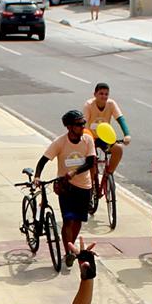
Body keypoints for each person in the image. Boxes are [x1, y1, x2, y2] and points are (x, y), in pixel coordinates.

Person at [36, 109, 99, 266]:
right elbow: (43, 160)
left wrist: (74, 172)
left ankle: (71, 246)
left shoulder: (88, 140)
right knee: (68, 220)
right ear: (69, 127)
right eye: (79, 124)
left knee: (78, 220)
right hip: (66, 187)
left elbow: (90, 162)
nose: (83, 127)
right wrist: (37, 176)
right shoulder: (60, 142)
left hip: (84, 186)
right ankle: (69, 252)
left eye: (83, 123)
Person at [81, 81, 130, 183]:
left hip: (105, 137)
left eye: (106, 94)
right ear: (95, 94)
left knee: (118, 149)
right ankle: (92, 183)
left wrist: (127, 134)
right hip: (91, 138)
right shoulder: (89, 105)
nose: (104, 96)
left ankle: (108, 174)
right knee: (91, 161)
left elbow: (120, 119)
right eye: (101, 94)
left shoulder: (111, 104)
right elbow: (83, 124)